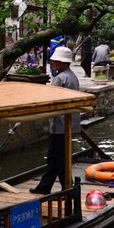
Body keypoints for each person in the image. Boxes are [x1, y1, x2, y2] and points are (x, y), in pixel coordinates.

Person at [30, 46, 80, 194]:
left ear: (63, 62)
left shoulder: (60, 78)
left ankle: (64, 187)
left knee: (56, 157)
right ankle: (49, 186)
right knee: (56, 157)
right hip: (67, 124)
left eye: (56, 61)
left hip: (60, 125)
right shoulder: (72, 76)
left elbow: (51, 99)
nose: (53, 63)